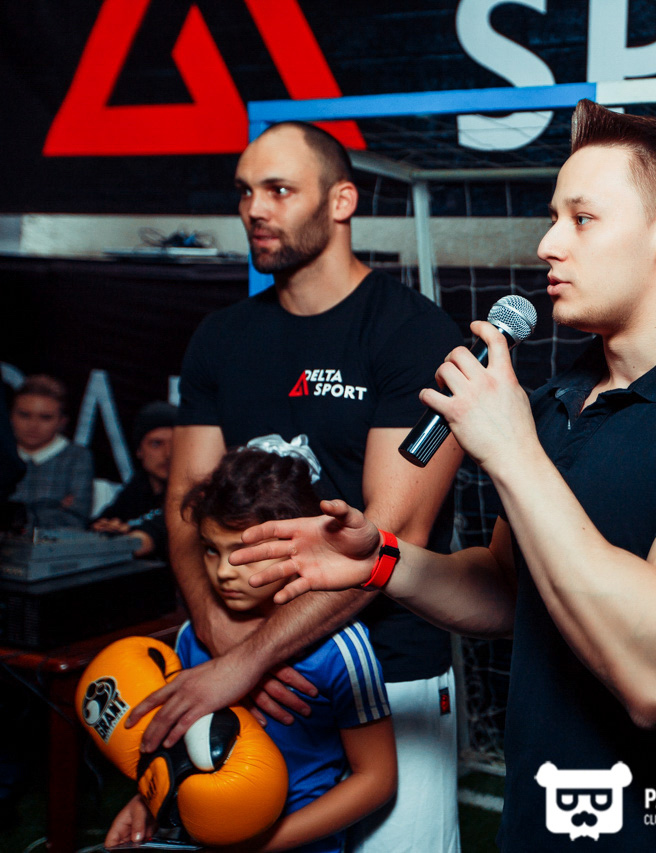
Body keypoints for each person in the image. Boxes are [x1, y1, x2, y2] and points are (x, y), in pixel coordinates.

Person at [232, 100, 656, 851]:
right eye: (553, 217)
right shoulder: (554, 405)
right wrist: (383, 562)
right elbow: (509, 589)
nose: (548, 243)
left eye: (582, 219)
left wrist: (513, 452)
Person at [128, 121, 465, 852]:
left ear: (342, 201)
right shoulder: (221, 337)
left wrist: (248, 659)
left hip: (386, 670)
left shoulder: (414, 334)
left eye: (279, 189)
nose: (255, 208)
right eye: (246, 191)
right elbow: (186, 506)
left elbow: (389, 539)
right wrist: (224, 639)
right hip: (247, 663)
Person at [106, 443, 396, 853]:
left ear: (297, 546)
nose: (224, 571)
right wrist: (148, 800)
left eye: (244, 553)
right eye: (211, 549)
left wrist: (257, 844)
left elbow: (376, 780)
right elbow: (184, 751)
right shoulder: (193, 635)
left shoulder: (341, 647)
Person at [91, 401, 176, 557]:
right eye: (156, 444)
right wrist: (106, 528)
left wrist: (132, 534)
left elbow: (145, 542)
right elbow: (101, 522)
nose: (168, 454)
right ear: (139, 450)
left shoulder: (194, 491)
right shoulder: (139, 485)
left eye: (176, 444)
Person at [10, 374, 93, 529]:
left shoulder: (77, 457)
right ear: (10, 416)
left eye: (45, 417)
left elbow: (75, 521)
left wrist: (13, 515)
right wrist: (52, 508)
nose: (33, 425)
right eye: (24, 415)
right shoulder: (4, 454)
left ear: (62, 422)